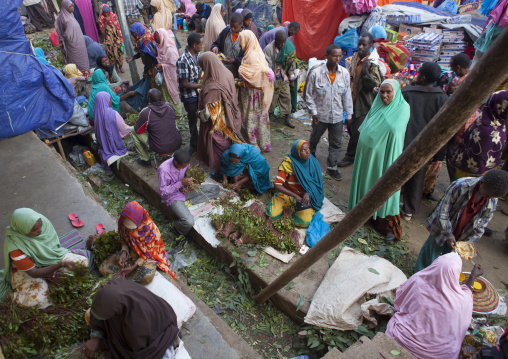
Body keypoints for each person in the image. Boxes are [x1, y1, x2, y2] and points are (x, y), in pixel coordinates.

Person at [386, 252, 482, 359]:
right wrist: (473, 276)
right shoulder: (462, 301)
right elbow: (467, 295)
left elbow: (399, 301)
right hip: (437, 356)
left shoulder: (417, 280)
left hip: (401, 340)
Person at [348, 80, 410, 241]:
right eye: (382, 91)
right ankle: (364, 216)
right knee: (367, 185)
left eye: (388, 92)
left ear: (395, 93)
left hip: (386, 157)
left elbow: (395, 132)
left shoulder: (402, 108)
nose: (384, 95)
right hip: (367, 156)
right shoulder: (377, 104)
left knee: (384, 190)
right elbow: (366, 125)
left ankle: (387, 226)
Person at [414, 169, 508, 272]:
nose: (489, 199)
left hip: (462, 234)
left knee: (449, 261)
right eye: (487, 196)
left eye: (492, 197)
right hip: (441, 228)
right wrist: (449, 235)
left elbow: (483, 223)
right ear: (481, 182)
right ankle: (419, 275)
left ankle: (437, 280)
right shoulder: (460, 186)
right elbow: (442, 213)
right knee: (429, 254)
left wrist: (470, 240)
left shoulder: (492, 198)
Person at [0, 208, 88, 308]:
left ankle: (48, 280)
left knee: (82, 263)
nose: (40, 230)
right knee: (40, 301)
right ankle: (11, 297)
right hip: (25, 272)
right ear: (23, 230)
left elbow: (52, 247)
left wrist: (53, 266)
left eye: (40, 225)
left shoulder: (40, 222)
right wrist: (59, 265)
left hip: (50, 258)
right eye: (34, 230)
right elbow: (34, 273)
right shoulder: (15, 247)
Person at [400, 62, 448, 221]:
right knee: (417, 176)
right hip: (425, 146)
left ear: (423, 76)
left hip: (402, 141)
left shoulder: (407, 92)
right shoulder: (442, 98)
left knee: (396, 171)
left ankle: (389, 202)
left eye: (418, 72)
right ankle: (409, 209)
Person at [84, 279, 180, 359]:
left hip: (158, 335)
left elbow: (138, 354)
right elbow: (97, 313)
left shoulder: (137, 325)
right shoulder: (113, 289)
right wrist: (96, 336)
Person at [306, 44, 353, 181]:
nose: (337, 58)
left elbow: (347, 95)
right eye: (334, 55)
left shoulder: (344, 73)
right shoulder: (316, 73)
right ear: (326, 56)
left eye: (339, 55)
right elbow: (309, 95)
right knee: (314, 138)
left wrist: (349, 114)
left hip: (337, 116)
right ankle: (310, 159)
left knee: (336, 143)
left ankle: (332, 167)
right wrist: (314, 112)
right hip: (320, 115)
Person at [98, 201, 176, 283]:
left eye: (132, 228)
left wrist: (133, 267)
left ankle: (125, 279)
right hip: (131, 253)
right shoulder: (123, 223)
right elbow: (124, 240)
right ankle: (125, 278)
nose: (129, 230)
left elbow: (150, 253)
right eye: (127, 227)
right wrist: (124, 251)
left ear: (139, 222)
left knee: (147, 278)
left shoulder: (151, 230)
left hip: (146, 258)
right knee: (103, 269)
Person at [338, 33, 384, 167]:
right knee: (352, 128)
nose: (360, 47)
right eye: (359, 44)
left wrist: (366, 72)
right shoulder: (355, 58)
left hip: (364, 104)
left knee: (357, 131)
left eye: (364, 44)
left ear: (370, 46)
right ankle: (358, 152)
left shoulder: (372, 64)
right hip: (351, 100)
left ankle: (350, 156)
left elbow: (374, 85)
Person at [196, 52, 244, 171]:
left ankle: (219, 169)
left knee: (218, 145)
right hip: (229, 115)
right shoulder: (226, 73)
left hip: (218, 122)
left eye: (203, 67)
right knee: (227, 140)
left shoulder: (213, 87)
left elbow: (208, 115)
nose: (203, 70)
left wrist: (198, 114)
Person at [447, 91, 508, 181]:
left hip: (483, 171)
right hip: (473, 177)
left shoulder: (496, 120)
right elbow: (480, 163)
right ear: (501, 107)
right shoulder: (487, 130)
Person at [267, 140, 323, 227]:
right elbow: (277, 185)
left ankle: (291, 214)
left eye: (308, 148)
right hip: (287, 194)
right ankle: (289, 209)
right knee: (272, 215)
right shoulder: (288, 164)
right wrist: (295, 196)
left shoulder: (313, 163)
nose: (308, 152)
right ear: (297, 153)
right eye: (304, 150)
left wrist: (308, 193)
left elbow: (316, 183)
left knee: (305, 222)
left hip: (303, 197)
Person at [238, 30, 274, 153]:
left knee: (250, 117)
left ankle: (253, 145)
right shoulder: (256, 53)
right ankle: (262, 143)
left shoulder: (251, 56)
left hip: (251, 94)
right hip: (256, 93)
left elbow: (252, 77)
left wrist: (239, 81)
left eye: (240, 41)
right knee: (259, 118)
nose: (239, 44)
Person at [130, 89, 182, 167]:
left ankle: (145, 159)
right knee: (172, 122)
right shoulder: (169, 106)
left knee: (133, 130)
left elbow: (138, 130)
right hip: (177, 143)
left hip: (159, 148)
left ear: (149, 99)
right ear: (161, 98)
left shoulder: (146, 112)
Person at [264, 30, 298, 128]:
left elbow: (292, 63)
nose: (282, 44)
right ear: (275, 40)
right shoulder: (269, 49)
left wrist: (291, 77)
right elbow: (267, 66)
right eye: (280, 42)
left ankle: (286, 119)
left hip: (283, 78)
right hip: (272, 78)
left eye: (284, 42)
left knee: (286, 97)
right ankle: (268, 119)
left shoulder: (288, 47)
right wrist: (272, 80)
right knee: (272, 99)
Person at [158, 149, 196, 235]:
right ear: (175, 162)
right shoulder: (163, 170)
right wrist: (181, 183)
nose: (185, 167)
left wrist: (191, 182)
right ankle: (174, 226)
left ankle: (185, 203)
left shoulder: (184, 163)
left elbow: (187, 171)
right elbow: (162, 192)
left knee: (214, 189)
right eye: (183, 166)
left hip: (184, 191)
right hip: (172, 196)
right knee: (189, 222)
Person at [177, 32, 203, 156]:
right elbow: (184, 84)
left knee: (203, 117)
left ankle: (202, 143)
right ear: (194, 45)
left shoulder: (198, 55)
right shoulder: (183, 60)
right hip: (189, 96)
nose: (202, 46)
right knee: (192, 120)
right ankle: (194, 145)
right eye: (200, 44)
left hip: (199, 94)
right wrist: (201, 85)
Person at [93, 91, 129, 167]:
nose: (111, 101)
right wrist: (133, 128)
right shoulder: (113, 113)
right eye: (109, 99)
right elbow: (124, 129)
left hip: (103, 143)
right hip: (116, 144)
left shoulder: (96, 113)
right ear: (105, 101)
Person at [154, 29, 182, 116]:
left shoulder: (170, 50)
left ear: (162, 37)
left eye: (157, 37)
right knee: (166, 94)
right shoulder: (161, 48)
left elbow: (174, 65)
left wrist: (162, 66)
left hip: (171, 76)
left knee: (173, 92)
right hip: (165, 76)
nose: (156, 39)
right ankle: (169, 112)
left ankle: (177, 113)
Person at [56, 0, 89, 71]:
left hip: (79, 43)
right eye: (70, 6)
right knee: (76, 61)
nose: (72, 8)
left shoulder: (70, 15)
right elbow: (59, 28)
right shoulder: (63, 18)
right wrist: (63, 38)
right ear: (65, 7)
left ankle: (86, 73)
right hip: (72, 44)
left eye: (72, 6)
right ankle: (79, 74)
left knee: (83, 58)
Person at [210, 12, 244, 78]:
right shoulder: (226, 32)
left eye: (235, 27)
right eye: (231, 26)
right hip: (222, 71)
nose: (232, 29)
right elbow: (216, 43)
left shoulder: (247, 37)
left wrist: (235, 61)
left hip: (237, 74)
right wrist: (215, 47)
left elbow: (249, 59)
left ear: (241, 24)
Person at [127, 23, 159, 88]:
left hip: (152, 66)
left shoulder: (146, 41)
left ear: (138, 31)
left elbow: (149, 59)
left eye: (133, 33)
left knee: (153, 84)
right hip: (150, 65)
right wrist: (133, 58)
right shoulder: (142, 38)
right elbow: (143, 52)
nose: (132, 35)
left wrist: (145, 72)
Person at [98, 4, 124, 73]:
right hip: (108, 39)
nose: (106, 13)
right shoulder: (101, 19)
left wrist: (121, 39)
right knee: (111, 53)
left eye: (107, 11)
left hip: (115, 37)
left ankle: (120, 66)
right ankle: (115, 67)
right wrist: (106, 22)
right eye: (104, 12)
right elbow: (102, 32)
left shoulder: (113, 15)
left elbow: (118, 27)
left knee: (118, 52)